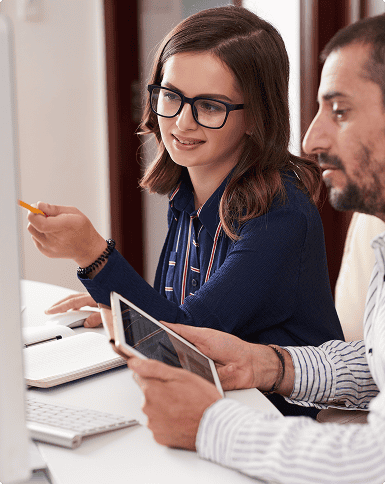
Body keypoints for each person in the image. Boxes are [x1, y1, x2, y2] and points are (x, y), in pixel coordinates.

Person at [26, 6, 343, 417]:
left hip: (277, 423)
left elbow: (179, 344)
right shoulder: (188, 190)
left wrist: (94, 256)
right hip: (214, 404)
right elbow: (177, 312)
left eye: (209, 106)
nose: (181, 123)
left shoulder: (280, 217)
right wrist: (121, 311)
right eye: (171, 97)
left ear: (256, 117)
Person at [120, 13, 385, 484]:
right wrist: (270, 363)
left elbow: (374, 461)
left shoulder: (280, 211)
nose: (310, 140)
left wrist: (209, 426)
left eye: (340, 111)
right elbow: (377, 364)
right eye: (171, 97)